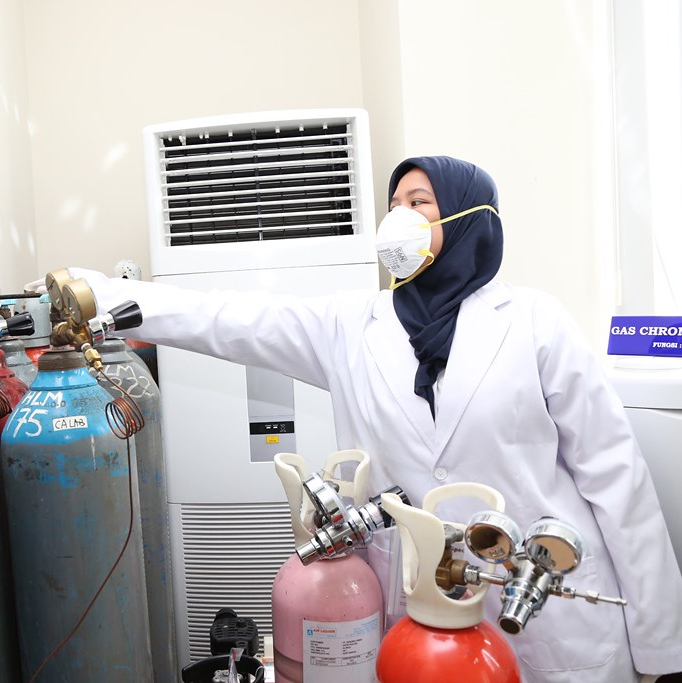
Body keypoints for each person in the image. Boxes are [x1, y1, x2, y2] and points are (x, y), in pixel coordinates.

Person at [53, 155, 682, 682]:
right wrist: (95, 296)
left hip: (547, 611)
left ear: (472, 218)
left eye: (421, 202)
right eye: (395, 201)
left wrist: (661, 644)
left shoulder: (537, 322)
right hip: (422, 613)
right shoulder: (350, 325)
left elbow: (616, 478)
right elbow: (227, 319)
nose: (399, 217)